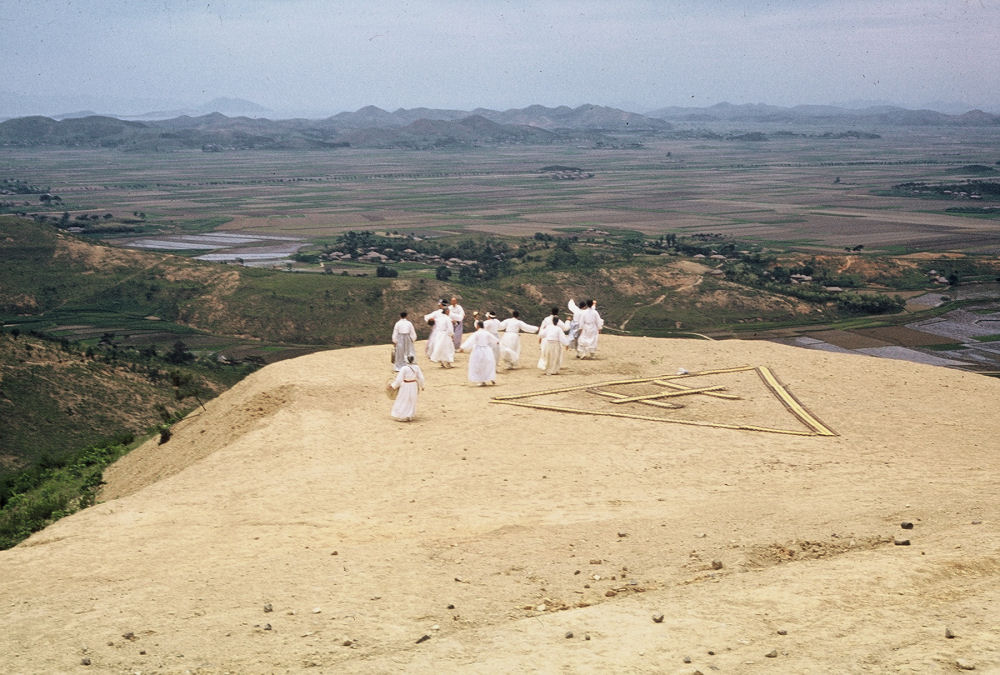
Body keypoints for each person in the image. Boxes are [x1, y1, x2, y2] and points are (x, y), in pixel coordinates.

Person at [459, 320, 500, 385]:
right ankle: (490, 378)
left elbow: (470, 341)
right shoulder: (487, 333)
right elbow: (495, 340)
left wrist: (463, 347)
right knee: (488, 365)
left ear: (478, 326)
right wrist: (497, 342)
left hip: (478, 350)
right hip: (487, 350)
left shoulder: (476, 333)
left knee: (478, 365)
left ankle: (482, 381)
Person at [390, 355, 425, 421]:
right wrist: (422, 386)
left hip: (405, 385)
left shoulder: (404, 368)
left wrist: (393, 386)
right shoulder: (417, 367)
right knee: (412, 400)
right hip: (414, 385)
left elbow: (399, 379)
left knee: (403, 400)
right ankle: (410, 415)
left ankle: (403, 416)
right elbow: (421, 377)